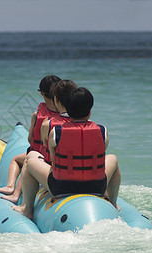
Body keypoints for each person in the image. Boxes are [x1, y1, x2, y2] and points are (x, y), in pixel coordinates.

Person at [13, 87, 121, 219]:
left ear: (67, 110)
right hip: (96, 186)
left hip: (61, 187)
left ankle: (27, 208)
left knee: (30, 160)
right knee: (113, 158)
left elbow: (53, 161)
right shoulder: (102, 131)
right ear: (90, 111)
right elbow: (101, 153)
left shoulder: (56, 133)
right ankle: (113, 203)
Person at [0, 75, 62, 203]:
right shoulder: (65, 116)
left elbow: (30, 139)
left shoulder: (37, 115)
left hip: (40, 157)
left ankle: (12, 189)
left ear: (41, 93)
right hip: (57, 161)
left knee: (18, 159)